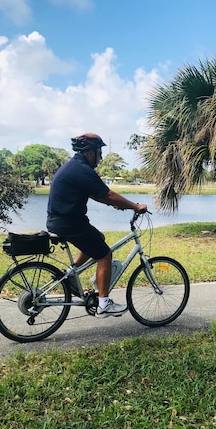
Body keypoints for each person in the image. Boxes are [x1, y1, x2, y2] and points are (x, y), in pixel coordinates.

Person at [46, 133, 147, 318]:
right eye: (99, 153)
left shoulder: (74, 166)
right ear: (90, 152)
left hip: (62, 221)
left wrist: (117, 204)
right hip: (69, 223)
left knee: (98, 239)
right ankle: (104, 304)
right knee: (104, 254)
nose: (100, 157)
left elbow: (97, 195)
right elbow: (107, 195)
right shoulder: (82, 169)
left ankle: (69, 276)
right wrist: (134, 206)